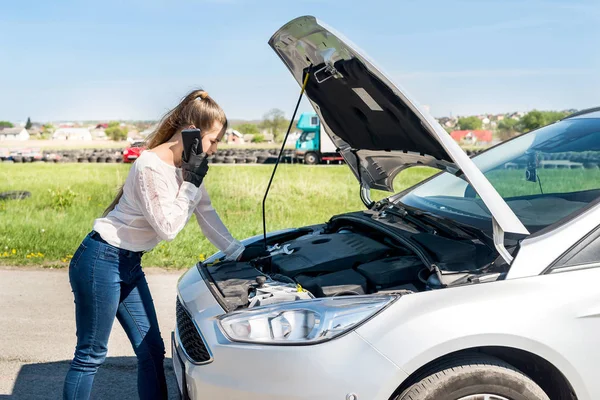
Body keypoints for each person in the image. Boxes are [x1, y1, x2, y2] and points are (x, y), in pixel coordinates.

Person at [63, 90, 245, 399]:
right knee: (91, 354)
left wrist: (241, 252)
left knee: (151, 351)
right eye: (213, 140)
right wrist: (190, 183)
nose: (214, 149)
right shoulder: (150, 166)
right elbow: (169, 228)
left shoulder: (187, 168)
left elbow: (207, 216)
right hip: (100, 260)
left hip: (129, 264)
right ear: (193, 132)